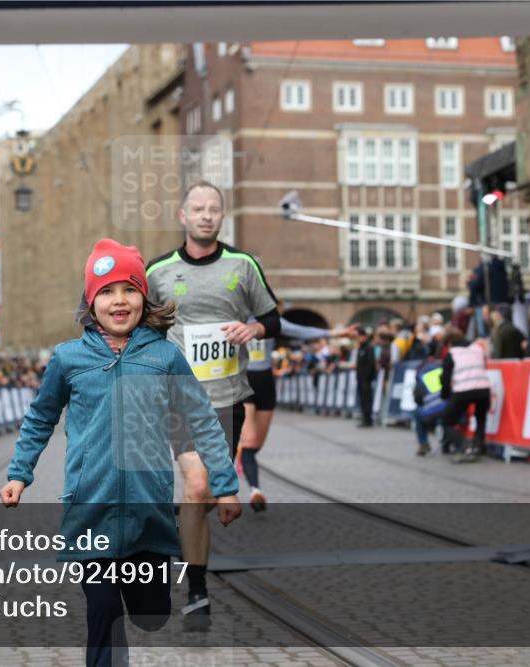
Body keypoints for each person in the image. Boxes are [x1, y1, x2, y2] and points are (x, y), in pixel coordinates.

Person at [0, 240, 241, 667]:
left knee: (150, 614)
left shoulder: (165, 356)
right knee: (103, 610)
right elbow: (40, 418)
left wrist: (223, 486)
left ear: (143, 298)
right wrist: (20, 473)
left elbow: (201, 418)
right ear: (91, 301)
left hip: (148, 512)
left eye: (129, 290)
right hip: (89, 506)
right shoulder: (68, 358)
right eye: (106, 291)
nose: (118, 301)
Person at [146, 181, 278, 630]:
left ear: (222, 217)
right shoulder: (159, 271)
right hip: (179, 400)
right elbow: (139, 325)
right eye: (198, 209)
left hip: (228, 400)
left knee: (195, 498)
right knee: (200, 486)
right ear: (182, 216)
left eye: (214, 209)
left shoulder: (242, 265)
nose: (206, 215)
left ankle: (173, 538)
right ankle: (197, 591)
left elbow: (272, 317)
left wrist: (253, 331)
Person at [241, 318, 357, 511]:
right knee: (250, 440)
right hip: (242, 378)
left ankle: (245, 460)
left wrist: (333, 334)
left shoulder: (268, 317)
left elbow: (298, 330)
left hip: (265, 381)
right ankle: (254, 489)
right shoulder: (233, 311)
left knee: (256, 445)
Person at [440, 328, 491, 463]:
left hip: (463, 390)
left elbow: (445, 378)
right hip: (483, 388)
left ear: (449, 342)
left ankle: (465, 447)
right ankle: (478, 447)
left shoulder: (452, 354)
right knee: (481, 419)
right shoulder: (477, 348)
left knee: (447, 422)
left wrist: (445, 395)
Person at [354, 326, 377, 427]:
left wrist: (367, 377)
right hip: (360, 378)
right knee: (363, 399)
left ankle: (368, 419)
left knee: (367, 399)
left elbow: (370, 363)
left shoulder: (369, 348)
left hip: (366, 379)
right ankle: (365, 418)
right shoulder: (360, 348)